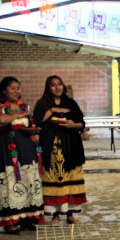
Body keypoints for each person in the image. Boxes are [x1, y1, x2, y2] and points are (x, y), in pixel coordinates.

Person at [0, 76, 44, 233]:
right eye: (13, 88)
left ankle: (27, 218)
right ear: (4, 89)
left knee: (28, 180)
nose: (16, 91)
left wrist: (32, 130)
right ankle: (9, 222)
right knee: (9, 182)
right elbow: (1, 119)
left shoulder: (23, 106)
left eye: (18, 88)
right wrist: (18, 116)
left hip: (26, 147)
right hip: (6, 148)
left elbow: (27, 123)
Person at [33, 75, 87, 225]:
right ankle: (55, 216)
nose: (57, 87)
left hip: (70, 147)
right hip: (51, 148)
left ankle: (70, 215)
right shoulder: (42, 103)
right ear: (48, 87)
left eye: (59, 84)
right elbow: (37, 121)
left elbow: (82, 123)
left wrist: (73, 125)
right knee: (54, 181)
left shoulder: (70, 103)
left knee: (70, 180)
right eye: (53, 85)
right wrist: (53, 110)